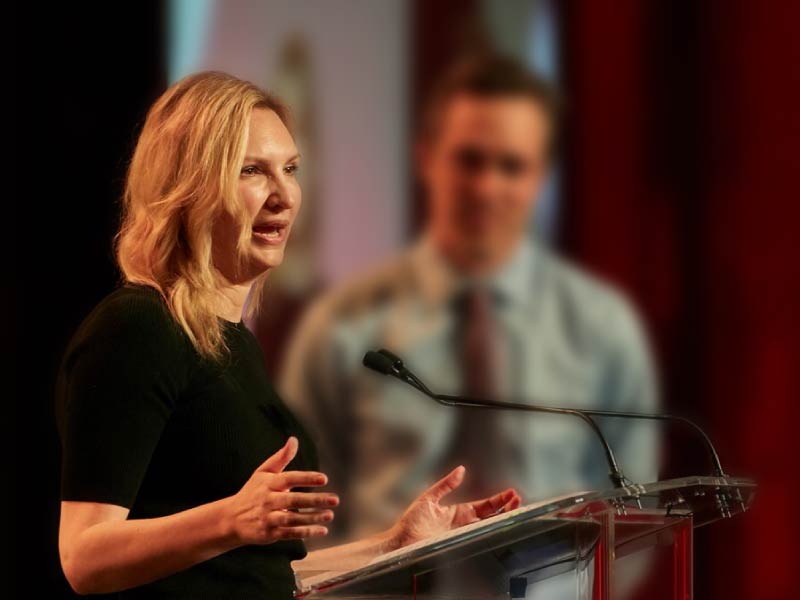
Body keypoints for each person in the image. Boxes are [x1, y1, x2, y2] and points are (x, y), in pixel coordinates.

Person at [54, 70, 522, 599]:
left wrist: (394, 545)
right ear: (187, 189)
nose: (284, 196)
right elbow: (83, 557)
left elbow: (260, 575)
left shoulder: (235, 346)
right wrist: (231, 519)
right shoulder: (137, 328)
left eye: (291, 169)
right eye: (251, 170)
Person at [279, 54, 663, 549]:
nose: (486, 188)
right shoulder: (340, 325)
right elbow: (302, 520)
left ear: (541, 176)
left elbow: (634, 519)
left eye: (511, 166)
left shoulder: (603, 327)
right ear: (425, 158)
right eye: (469, 160)